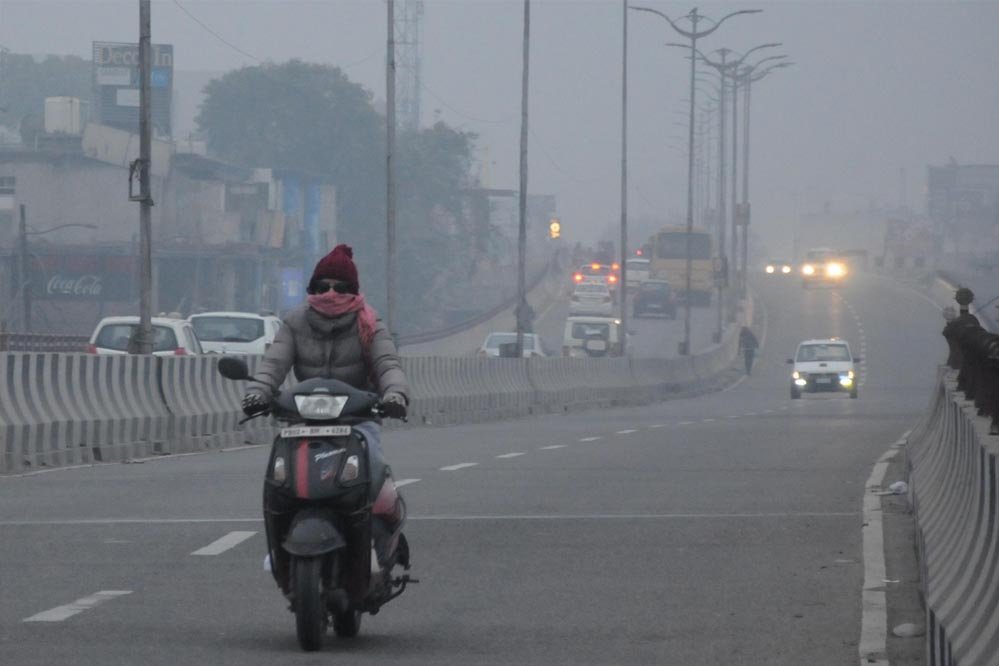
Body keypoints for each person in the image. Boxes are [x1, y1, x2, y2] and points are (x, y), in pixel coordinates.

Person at [240, 243, 409, 593]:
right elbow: (273, 364)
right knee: (280, 481)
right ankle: (280, 545)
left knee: (373, 471)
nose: (330, 293)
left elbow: (387, 365)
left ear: (354, 291)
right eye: (322, 286)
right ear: (311, 289)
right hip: (304, 422)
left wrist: (394, 395)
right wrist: (258, 393)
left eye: (340, 287)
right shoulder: (295, 321)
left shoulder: (369, 323)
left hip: (357, 420)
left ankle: (376, 544)